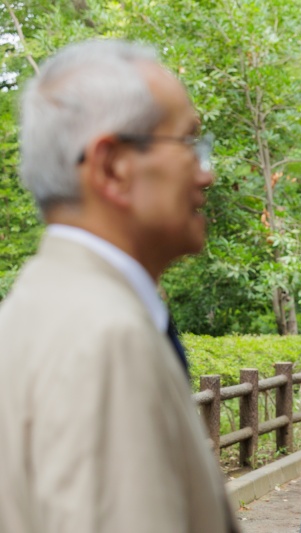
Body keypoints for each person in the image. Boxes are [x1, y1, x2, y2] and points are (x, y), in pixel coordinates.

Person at [0, 40, 236, 532]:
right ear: (112, 167)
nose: (207, 173)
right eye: (188, 144)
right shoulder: (105, 338)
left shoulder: (41, 305)